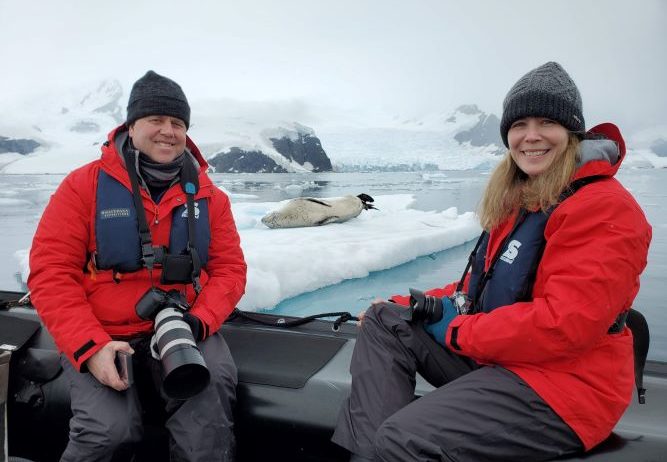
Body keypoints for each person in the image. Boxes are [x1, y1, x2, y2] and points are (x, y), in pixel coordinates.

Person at [331, 61, 652, 461]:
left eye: (546, 122)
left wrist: (458, 331)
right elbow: (476, 289)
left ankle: (390, 449)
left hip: (566, 389)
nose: (530, 136)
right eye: (519, 125)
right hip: (508, 360)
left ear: (571, 133)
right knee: (385, 321)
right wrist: (409, 303)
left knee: (405, 437)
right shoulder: (525, 198)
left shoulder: (603, 208)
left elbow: (563, 326)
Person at [28, 70, 247, 461]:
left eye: (177, 123)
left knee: (207, 430)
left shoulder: (211, 198)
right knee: (105, 433)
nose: (168, 131)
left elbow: (230, 270)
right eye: (156, 120)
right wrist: (89, 347)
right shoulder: (83, 187)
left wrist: (198, 322)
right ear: (132, 125)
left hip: (185, 326)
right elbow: (51, 273)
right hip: (102, 331)